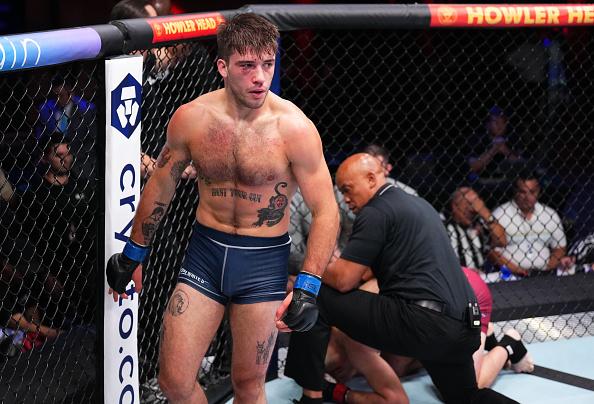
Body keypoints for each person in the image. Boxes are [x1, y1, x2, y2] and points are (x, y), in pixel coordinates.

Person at [105, 13, 339, 404]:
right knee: (175, 382)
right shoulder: (191, 119)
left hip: (262, 264)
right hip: (205, 255)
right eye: (247, 66)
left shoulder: (294, 129)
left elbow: (326, 210)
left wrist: (309, 286)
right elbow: (161, 183)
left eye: (268, 64)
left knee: (248, 386)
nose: (260, 77)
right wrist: (135, 251)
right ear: (223, 67)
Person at [282, 153, 515, 404]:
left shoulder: (376, 212)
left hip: (423, 322)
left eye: (348, 190)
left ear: (371, 179)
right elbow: (368, 271)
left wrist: (302, 263)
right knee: (466, 396)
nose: (345, 199)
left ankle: (311, 398)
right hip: (464, 327)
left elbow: (344, 281)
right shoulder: (418, 205)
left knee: (316, 295)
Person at [322, 268, 533, 403]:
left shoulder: (358, 335)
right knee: (399, 364)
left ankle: (508, 344)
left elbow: (395, 400)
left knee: (471, 387)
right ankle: (484, 337)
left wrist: (335, 392)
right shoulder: (351, 327)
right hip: (432, 307)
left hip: (462, 296)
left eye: (335, 369)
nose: (336, 375)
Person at [489, 172, 566, 277]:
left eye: (532, 192)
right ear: (515, 191)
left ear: (539, 191)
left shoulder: (550, 214)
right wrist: (516, 270)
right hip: (509, 274)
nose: (528, 197)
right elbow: (493, 253)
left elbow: (560, 248)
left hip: (546, 274)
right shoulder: (500, 214)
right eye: (523, 192)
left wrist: (549, 268)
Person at [444, 186, 506, 273]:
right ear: (455, 206)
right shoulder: (443, 226)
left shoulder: (479, 222)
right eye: (468, 204)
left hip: (482, 276)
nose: (472, 209)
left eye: (475, 204)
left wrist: (484, 212)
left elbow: (502, 241)